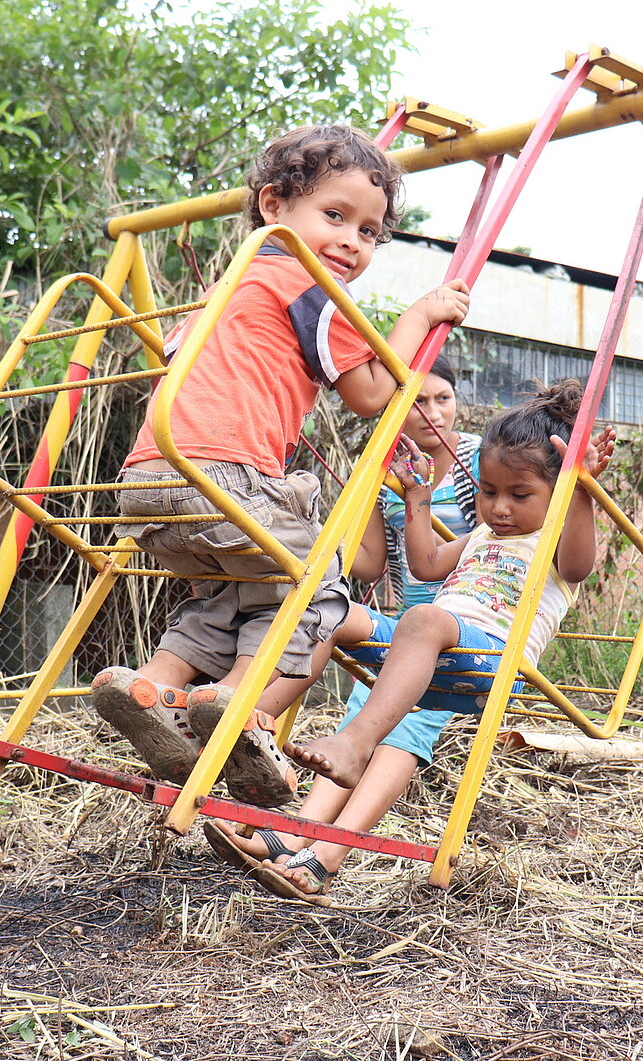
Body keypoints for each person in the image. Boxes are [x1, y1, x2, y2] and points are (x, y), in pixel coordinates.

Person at [90, 124, 470, 806]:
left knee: (236, 592)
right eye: (335, 215)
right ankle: (237, 705)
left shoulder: (225, 287)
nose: (352, 241)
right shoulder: (308, 282)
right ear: (273, 207)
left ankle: (152, 680)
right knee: (318, 587)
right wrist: (417, 317)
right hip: (220, 477)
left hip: (146, 484)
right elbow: (373, 397)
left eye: (370, 232)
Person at [256, 379, 614, 901]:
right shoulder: (485, 534)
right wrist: (418, 497)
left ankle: (354, 753)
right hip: (434, 641)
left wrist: (580, 489)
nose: (500, 509)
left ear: (555, 493)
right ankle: (253, 723)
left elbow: (580, 567)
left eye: (520, 495)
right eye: (489, 493)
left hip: (491, 659)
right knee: (334, 611)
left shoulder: (556, 536)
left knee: (423, 618)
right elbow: (425, 564)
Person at [202, 355, 483, 902]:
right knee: (340, 642)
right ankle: (290, 831)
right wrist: (346, 509)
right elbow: (369, 564)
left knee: (406, 723)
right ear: (396, 413)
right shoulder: (391, 467)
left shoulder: (476, 464)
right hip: (403, 620)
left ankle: (327, 857)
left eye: (442, 398)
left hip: (459, 626)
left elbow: (493, 541)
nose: (432, 413)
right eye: (417, 402)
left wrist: (421, 501)